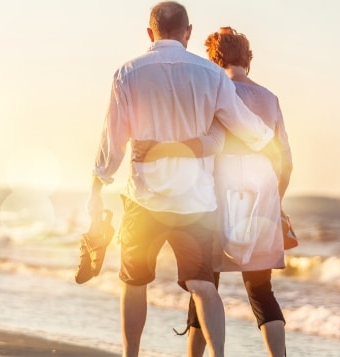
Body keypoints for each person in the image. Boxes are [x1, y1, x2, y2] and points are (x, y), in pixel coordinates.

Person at [85, 3, 274, 356]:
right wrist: (269, 141)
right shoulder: (212, 75)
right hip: (196, 202)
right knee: (203, 285)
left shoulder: (127, 73)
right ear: (188, 32)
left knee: (134, 281)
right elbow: (245, 126)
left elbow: (113, 140)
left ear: (149, 33)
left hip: (144, 198)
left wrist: (99, 183)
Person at [132, 27, 293, 357]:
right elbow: (285, 162)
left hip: (214, 197)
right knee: (261, 290)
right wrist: (277, 203)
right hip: (261, 196)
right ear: (248, 57)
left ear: (213, 58)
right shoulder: (270, 98)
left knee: (205, 286)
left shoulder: (212, 92)